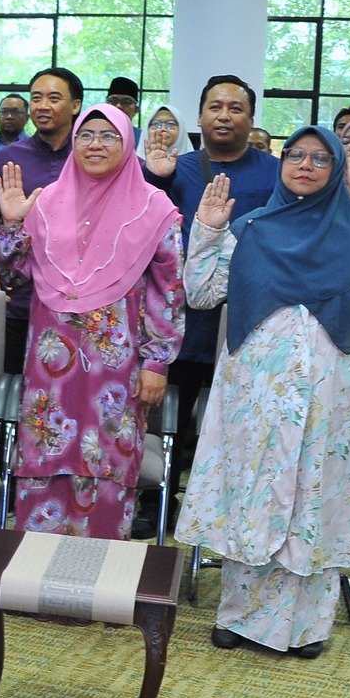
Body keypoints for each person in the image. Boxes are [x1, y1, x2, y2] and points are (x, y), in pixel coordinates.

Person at [177, 125, 350, 658]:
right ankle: (237, 617)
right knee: (253, 494)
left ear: (336, 170)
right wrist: (207, 230)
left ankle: (307, 628)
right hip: (255, 395)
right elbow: (200, 293)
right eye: (295, 155)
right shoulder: (250, 229)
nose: (305, 165)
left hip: (332, 399)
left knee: (314, 500)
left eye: (320, 158)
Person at [0, 105, 183, 538]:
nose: (95, 144)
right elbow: (11, 278)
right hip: (50, 372)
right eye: (86, 135)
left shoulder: (155, 209)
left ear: (128, 143)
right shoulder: (45, 203)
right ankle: (37, 571)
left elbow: (169, 292)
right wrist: (12, 223)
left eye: (108, 135)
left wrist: (157, 362)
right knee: (46, 460)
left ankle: (97, 574)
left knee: (108, 464)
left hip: (115, 373)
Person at [143, 75, 280, 513]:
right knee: (169, 416)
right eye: (215, 107)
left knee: (239, 419)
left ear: (251, 119)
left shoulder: (274, 173)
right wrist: (154, 178)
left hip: (247, 316)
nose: (224, 116)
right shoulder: (174, 168)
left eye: (236, 108)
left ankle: (228, 510)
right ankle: (156, 502)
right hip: (181, 315)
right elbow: (142, 228)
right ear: (200, 117)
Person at [0, 67, 84, 372]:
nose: (42, 106)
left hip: (75, 300)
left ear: (75, 106)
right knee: (12, 381)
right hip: (18, 296)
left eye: (54, 98)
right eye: (36, 98)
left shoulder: (91, 156)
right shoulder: (10, 157)